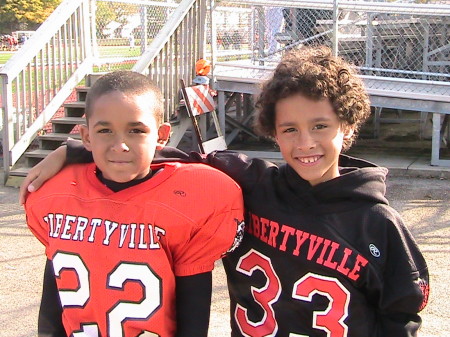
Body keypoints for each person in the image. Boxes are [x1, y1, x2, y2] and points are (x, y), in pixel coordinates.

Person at [21, 46, 429, 337]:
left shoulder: (378, 223)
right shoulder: (249, 184)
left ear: (348, 125)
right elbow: (157, 155)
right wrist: (76, 149)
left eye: (320, 126)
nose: (305, 143)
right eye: (290, 129)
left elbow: (400, 315)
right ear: (272, 131)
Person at [22, 70, 244, 337]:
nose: (120, 145)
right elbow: (54, 298)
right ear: (86, 137)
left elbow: (193, 312)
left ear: (162, 135)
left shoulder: (191, 197)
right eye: (105, 130)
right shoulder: (57, 195)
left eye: (136, 130)